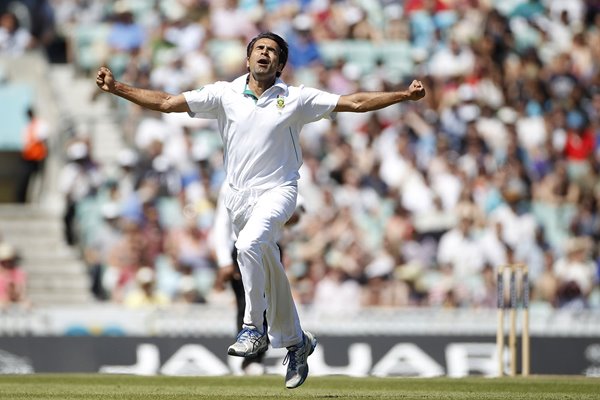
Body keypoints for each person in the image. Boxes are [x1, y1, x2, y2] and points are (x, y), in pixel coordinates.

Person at [95, 31, 425, 389]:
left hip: (279, 191)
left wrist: (403, 96)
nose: (265, 54)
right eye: (259, 49)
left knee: (249, 245)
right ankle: (298, 342)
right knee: (268, 265)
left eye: (272, 51)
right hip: (239, 197)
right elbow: (166, 102)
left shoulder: (296, 98)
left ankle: (254, 328)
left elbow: (355, 102)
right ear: (248, 58)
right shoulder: (225, 94)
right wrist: (118, 88)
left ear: (280, 64)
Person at [17, 107, 49, 203]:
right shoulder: (28, 126)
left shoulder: (39, 125)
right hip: (28, 156)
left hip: (38, 156)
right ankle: (22, 199)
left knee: (37, 178)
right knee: (25, 177)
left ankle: (36, 199)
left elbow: (42, 137)